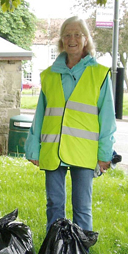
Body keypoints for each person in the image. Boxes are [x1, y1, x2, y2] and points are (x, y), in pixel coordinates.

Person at [24, 16, 116, 233]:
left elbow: (107, 118)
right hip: (53, 150)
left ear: (86, 39)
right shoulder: (49, 75)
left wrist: (105, 154)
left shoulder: (100, 74)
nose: (72, 39)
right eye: (67, 35)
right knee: (54, 205)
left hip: (84, 151)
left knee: (82, 208)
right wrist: (33, 147)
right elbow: (40, 115)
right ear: (61, 40)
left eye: (77, 34)